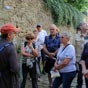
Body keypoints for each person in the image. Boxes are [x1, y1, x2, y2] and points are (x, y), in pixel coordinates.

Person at [0, 23, 20, 88]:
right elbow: (15, 69)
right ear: (9, 35)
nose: (15, 35)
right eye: (14, 33)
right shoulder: (11, 48)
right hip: (8, 81)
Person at [75, 22, 88, 88]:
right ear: (81, 27)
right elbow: (73, 48)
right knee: (79, 76)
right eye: (85, 24)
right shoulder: (76, 36)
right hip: (79, 59)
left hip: (87, 60)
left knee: (87, 77)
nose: (87, 25)